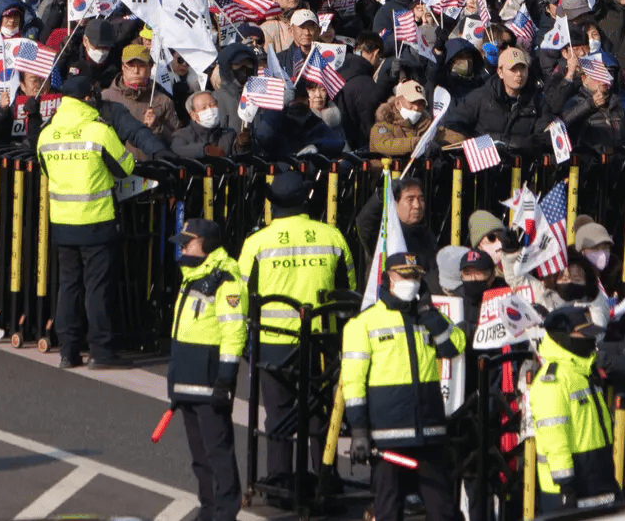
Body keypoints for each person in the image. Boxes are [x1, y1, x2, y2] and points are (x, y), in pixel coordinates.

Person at [237, 169, 355, 486]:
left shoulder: (256, 244)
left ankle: (280, 478)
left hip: (273, 342)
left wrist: (243, 345)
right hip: (321, 342)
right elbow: (349, 293)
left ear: (273, 204)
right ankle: (325, 476)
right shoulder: (333, 237)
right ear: (306, 200)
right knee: (321, 410)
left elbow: (241, 298)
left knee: (278, 412)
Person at [341, 250, 464, 521]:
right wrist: (359, 429)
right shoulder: (363, 324)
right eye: (404, 275)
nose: (411, 280)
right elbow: (353, 382)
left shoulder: (427, 318)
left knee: (444, 512)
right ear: (388, 278)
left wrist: (431, 317)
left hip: (429, 434)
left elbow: (454, 346)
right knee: (388, 511)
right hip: (388, 440)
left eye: (416, 276)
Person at [36, 68, 137, 369]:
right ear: (88, 97)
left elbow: (45, 170)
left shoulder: (46, 134)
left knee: (68, 286)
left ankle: (68, 351)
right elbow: (126, 167)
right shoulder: (99, 130)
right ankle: (101, 352)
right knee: (97, 288)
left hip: (63, 223)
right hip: (97, 221)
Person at [166, 217, 247, 521]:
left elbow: (234, 333)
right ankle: (209, 510)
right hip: (188, 382)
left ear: (207, 245)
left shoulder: (226, 282)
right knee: (200, 459)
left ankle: (225, 513)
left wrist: (225, 380)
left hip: (210, 383)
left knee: (218, 454)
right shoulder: (192, 277)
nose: (183, 247)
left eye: (189, 242)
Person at [528, 304, 616, 512]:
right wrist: (566, 484)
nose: (589, 340)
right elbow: (554, 436)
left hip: (596, 474)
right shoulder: (553, 380)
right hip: (569, 485)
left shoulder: (583, 372)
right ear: (562, 337)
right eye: (582, 333)